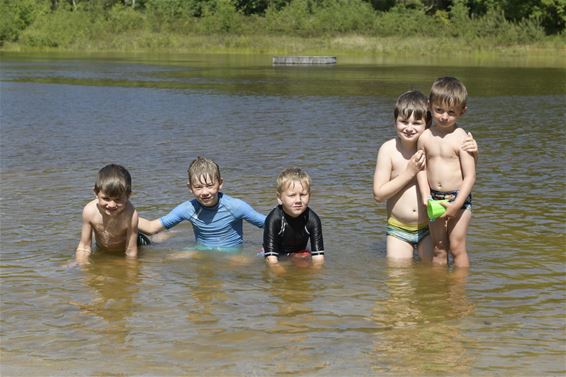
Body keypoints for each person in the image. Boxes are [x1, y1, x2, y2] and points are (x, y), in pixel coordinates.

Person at [373, 90, 477, 261]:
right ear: (394, 122)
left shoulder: (432, 145)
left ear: (427, 123)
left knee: (436, 264)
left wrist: (474, 152)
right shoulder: (388, 150)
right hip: (399, 229)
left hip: (428, 228)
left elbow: (462, 174)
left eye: (416, 123)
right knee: (398, 276)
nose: (409, 128)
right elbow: (378, 195)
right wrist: (409, 173)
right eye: (403, 121)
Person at [138, 156, 265, 251]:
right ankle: (164, 237)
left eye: (210, 186)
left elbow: (270, 224)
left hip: (232, 254)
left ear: (220, 183)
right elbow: (151, 228)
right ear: (190, 187)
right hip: (202, 251)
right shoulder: (188, 209)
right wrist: (124, 215)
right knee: (171, 258)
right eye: (198, 187)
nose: (204, 192)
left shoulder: (236, 207)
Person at [417, 77, 476, 267]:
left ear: (462, 111)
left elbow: (470, 176)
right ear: (429, 105)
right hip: (434, 198)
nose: (444, 116)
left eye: (451, 112)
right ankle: (438, 292)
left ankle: (458, 293)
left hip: (458, 199)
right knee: (439, 247)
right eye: (439, 110)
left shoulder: (462, 139)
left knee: (457, 247)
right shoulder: (425, 137)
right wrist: (426, 195)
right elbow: (421, 168)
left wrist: (456, 204)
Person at [76, 164, 146, 264]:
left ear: (128, 196)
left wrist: (130, 273)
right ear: (96, 193)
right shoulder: (89, 211)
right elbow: (84, 246)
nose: (112, 205)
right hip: (103, 249)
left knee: (154, 233)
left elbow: (131, 252)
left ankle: (162, 235)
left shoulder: (131, 215)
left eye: (118, 200)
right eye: (106, 199)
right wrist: (80, 263)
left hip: (138, 243)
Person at [263, 168, 324, 270]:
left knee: (303, 263)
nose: (298, 200)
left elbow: (319, 259)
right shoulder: (273, 219)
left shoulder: (313, 220)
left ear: (310, 196)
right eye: (292, 195)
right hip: (274, 253)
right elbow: (271, 260)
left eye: (303, 195)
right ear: (279, 198)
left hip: (299, 254)